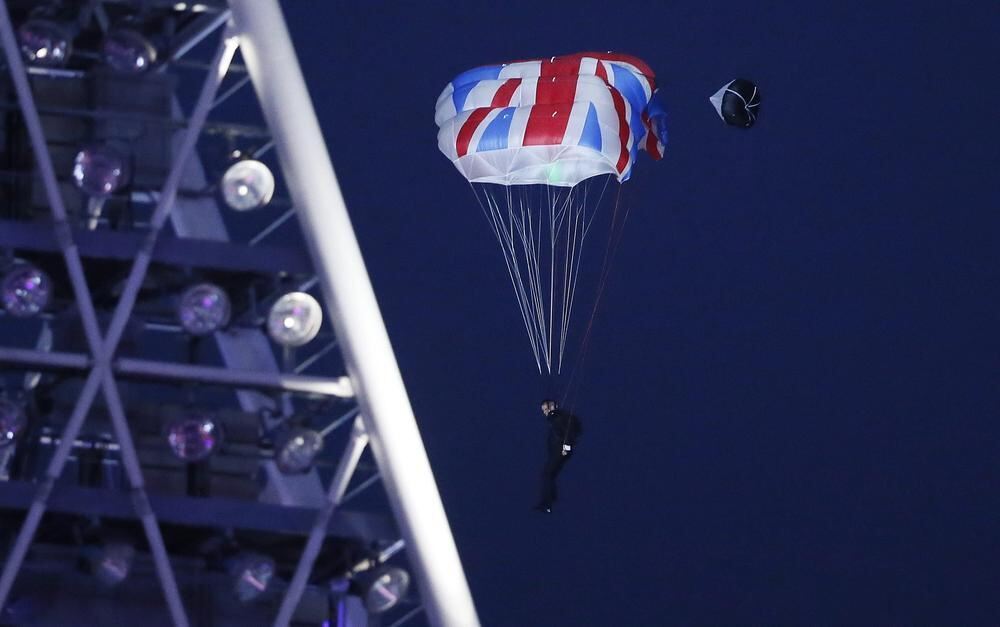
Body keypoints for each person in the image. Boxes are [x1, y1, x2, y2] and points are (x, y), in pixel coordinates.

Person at [534, 399, 582, 513]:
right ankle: (549, 500)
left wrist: (566, 447)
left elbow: (569, 432)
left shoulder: (559, 418)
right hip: (557, 452)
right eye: (543, 410)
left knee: (547, 474)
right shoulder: (556, 418)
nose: (545, 412)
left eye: (546, 409)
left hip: (560, 451)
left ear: (552, 407)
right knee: (548, 475)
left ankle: (548, 502)